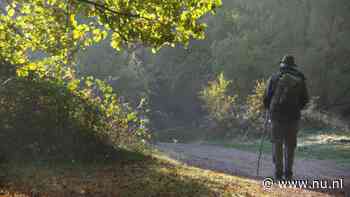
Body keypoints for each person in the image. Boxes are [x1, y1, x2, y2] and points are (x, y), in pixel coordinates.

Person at [263, 55, 309, 180]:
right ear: (294, 66)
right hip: (293, 117)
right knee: (290, 145)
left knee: (277, 143)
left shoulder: (274, 78)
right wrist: (296, 108)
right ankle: (288, 173)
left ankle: (278, 173)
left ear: (282, 64)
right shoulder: (300, 78)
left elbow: (266, 98)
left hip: (276, 116)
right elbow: (305, 99)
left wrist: (269, 109)